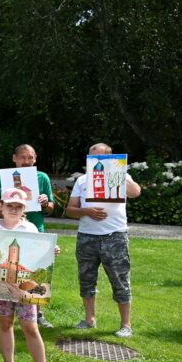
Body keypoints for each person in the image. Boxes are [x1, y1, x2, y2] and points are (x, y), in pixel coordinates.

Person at [0, 188, 58, 362]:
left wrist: (51, 251)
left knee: (30, 326)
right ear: (1, 207)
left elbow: (38, 255)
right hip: (2, 285)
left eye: (18, 207)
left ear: (24, 209)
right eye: (10, 206)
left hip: (25, 287)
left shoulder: (30, 228)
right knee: (5, 323)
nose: (14, 210)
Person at [65, 143, 141, 338]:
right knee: (86, 279)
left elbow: (136, 193)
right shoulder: (82, 180)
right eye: (91, 158)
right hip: (87, 237)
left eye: (100, 158)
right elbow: (70, 210)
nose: (95, 161)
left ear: (109, 158)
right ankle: (89, 319)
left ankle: (126, 324)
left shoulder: (120, 176)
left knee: (120, 279)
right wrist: (85, 211)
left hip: (114, 236)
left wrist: (120, 170)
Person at [0, 144, 56, 327]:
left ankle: (36, 312)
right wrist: (6, 211)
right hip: (10, 229)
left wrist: (45, 202)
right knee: (10, 265)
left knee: (33, 269)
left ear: (35, 159)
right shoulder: (4, 178)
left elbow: (51, 207)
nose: (26, 161)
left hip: (34, 229)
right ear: (14, 159)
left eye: (30, 158)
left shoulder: (42, 177)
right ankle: (7, 306)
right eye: (23, 158)